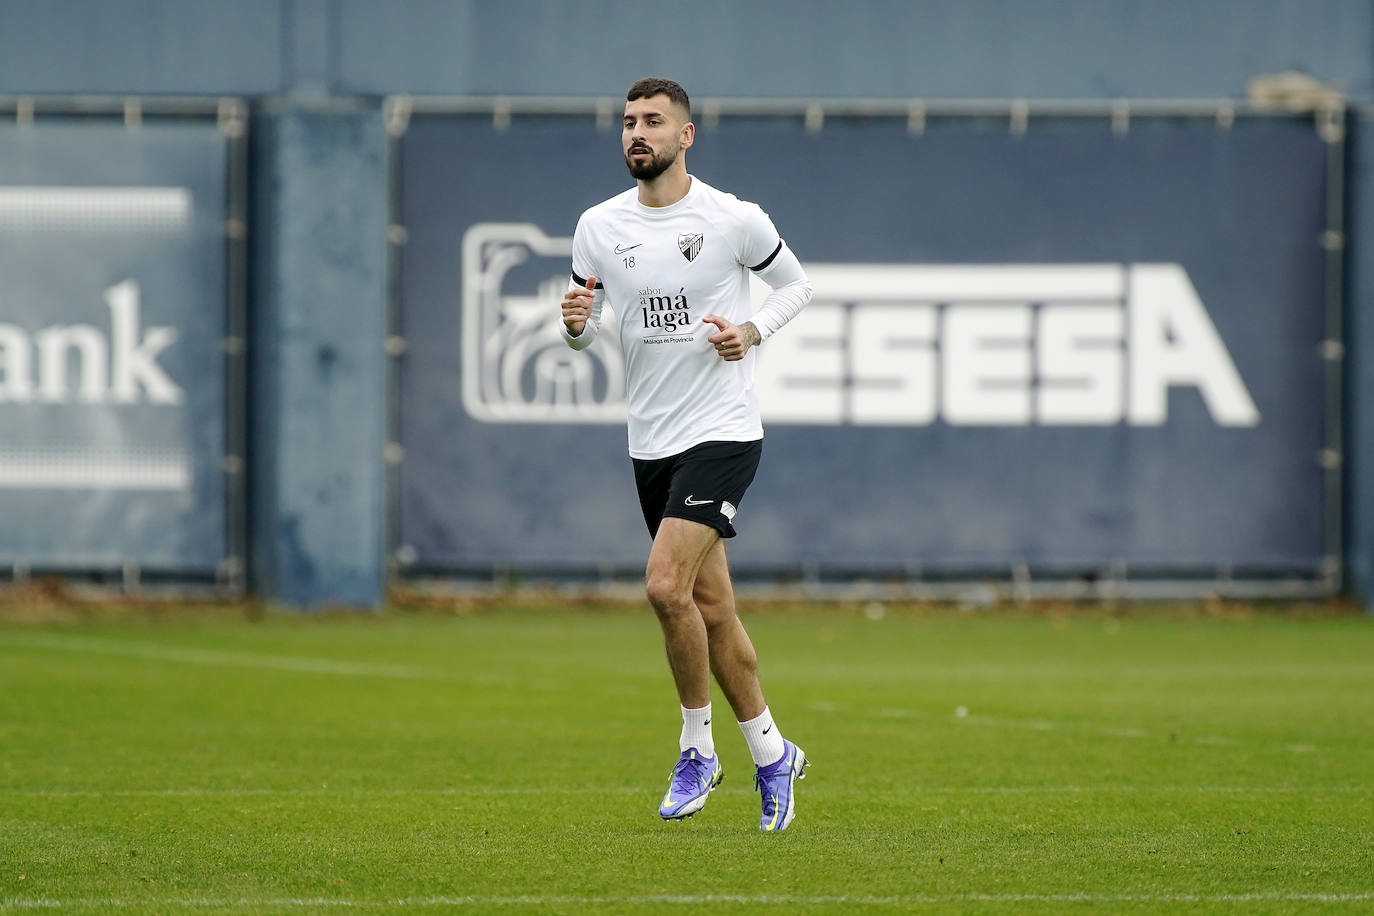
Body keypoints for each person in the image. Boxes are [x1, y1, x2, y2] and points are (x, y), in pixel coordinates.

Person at [559, 77, 814, 832]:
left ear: (685, 135)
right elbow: (585, 330)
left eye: (653, 121)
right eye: (629, 122)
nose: (637, 133)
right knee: (712, 607)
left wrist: (752, 331)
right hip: (652, 441)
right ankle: (773, 753)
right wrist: (574, 323)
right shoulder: (598, 227)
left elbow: (794, 287)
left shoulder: (733, 218)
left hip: (724, 432)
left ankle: (697, 748)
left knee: (665, 588)